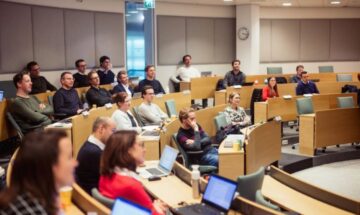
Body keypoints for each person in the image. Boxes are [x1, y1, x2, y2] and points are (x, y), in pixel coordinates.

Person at [0, 129, 77, 214]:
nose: (75, 163)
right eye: (69, 157)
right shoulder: (34, 210)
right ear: (49, 166)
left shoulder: (25, 197)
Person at [99, 130, 168, 215]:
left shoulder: (105, 176)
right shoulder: (131, 186)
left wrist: (153, 207)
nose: (144, 150)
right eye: (140, 145)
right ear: (128, 150)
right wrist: (158, 209)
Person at [76, 117, 116, 194]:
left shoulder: (91, 143)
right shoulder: (94, 153)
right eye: (113, 131)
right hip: (96, 196)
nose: (115, 135)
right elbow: (112, 178)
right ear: (101, 129)